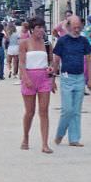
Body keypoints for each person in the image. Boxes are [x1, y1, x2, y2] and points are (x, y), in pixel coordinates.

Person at [52, 15, 91, 147]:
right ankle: (60, 133)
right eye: (74, 27)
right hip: (66, 77)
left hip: (80, 77)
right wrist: (52, 79)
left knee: (76, 110)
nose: (76, 30)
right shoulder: (62, 41)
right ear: (68, 27)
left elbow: (88, 61)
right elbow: (56, 61)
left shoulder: (84, 41)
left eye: (79, 28)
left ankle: (74, 138)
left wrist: (90, 79)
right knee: (67, 109)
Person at [18, 17, 56, 154]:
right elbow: (21, 63)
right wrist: (25, 77)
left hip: (44, 78)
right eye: (38, 27)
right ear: (32, 29)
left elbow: (51, 61)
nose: (41, 30)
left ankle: (45, 144)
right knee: (30, 111)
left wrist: (52, 73)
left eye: (42, 27)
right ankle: (25, 137)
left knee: (44, 111)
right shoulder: (24, 43)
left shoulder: (47, 44)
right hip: (29, 77)